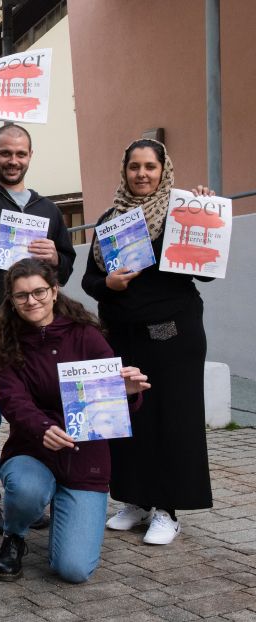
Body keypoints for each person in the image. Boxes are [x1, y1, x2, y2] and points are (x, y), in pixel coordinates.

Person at [0, 78, 77, 534]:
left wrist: (54, 257)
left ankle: (31, 491)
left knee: (37, 412)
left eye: (20, 153)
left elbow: (66, 262)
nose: (12, 160)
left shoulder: (48, 209)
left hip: (35, 327)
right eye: (5, 152)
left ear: (29, 158)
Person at [82, 139, 214, 545]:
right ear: (124, 171)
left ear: (163, 170)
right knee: (128, 422)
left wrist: (205, 217)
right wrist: (108, 282)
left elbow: (206, 272)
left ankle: (167, 509)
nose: (142, 174)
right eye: (134, 167)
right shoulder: (109, 219)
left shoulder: (183, 212)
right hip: (123, 338)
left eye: (150, 167)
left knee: (170, 422)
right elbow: (89, 281)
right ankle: (135, 500)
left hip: (173, 338)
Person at [0, 259, 150, 582]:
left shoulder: (85, 334)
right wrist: (42, 427)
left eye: (39, 292)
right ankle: (14, 535)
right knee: (27, 490)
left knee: (73, 570)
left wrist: (126, 391)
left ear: (55, 290)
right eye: (21, 296)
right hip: (32, 450)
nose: (31, 301)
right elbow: (12, 402)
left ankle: (67, 510)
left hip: (84, 459)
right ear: (12, 300)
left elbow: (112, 406)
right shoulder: (5, 344)